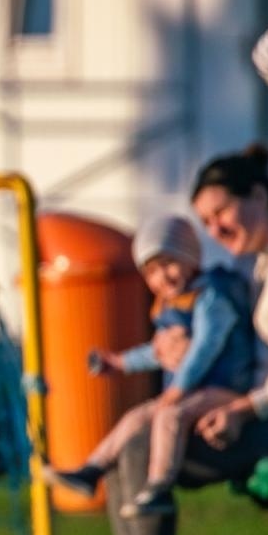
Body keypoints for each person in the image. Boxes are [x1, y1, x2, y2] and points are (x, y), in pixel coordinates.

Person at [99, 144, 268, 535]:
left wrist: (242, 408)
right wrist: (180, 345)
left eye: (221, 213)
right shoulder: (262, 260)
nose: (214, 230)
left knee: (144, 445)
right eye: (205, 222)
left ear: (258, 194)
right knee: (136, 437)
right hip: (267, 408)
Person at [44, 215, 253, 519]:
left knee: (169, 414)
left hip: (225, 389)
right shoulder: (170, 305)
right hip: (189, 391)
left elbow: (205, 347)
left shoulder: (211, 296)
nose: (162, 277)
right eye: (152, 271)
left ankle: (158, 486)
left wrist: (179, 388)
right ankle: (92, 470)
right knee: (136, 417)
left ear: (190, 258)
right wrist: (119, 362)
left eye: (170, 263)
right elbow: (158, 352)